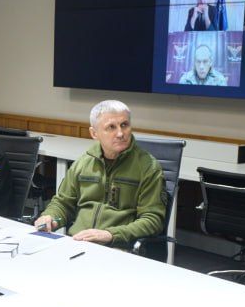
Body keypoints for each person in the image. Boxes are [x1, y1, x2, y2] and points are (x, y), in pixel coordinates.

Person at [33, 100, 165, 248]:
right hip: (77, 242)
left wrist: (110, 235)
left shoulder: (148, 167)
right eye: (111, 127)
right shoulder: (83, 163)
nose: (120, 133)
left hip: (118, 247)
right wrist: (50, 217)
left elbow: (153, 220)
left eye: (124, 125)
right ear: (94, 133)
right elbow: (63, 203)